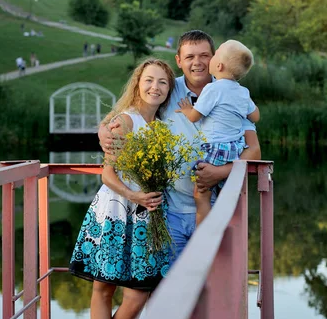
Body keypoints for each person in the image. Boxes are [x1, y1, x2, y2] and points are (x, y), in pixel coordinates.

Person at [99, 30, 261, 264]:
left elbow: (254, 150)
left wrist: (219, 173)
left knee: (212, 284)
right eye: (189, 56)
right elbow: (128, 112)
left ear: (216, 59)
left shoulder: (231, 93)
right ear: (179, 61)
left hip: (217, 208)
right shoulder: (166, 89)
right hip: (168, 212)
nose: (197, 62)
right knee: (169, 285)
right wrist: (104, 129)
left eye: (204, 55)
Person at [70, 58, 175, 319]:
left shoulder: (161, 126)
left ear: (169, 89)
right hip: (117, 212)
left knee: (138, 292)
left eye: (162, 82)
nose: (155, 87)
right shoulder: (126, 121)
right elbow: (107, 174)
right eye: (149, 80)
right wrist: (134, 195)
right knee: (104, 287)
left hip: (145, 215)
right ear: (138, 84)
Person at [176, 39, 260, 225]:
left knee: (202, 193)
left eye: (213, 55)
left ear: (219, 65)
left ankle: (203, 231)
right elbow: (255, 116)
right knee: (227, 194)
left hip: (214, 149)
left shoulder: (212, 89)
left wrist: (186, 109)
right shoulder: (243, 92)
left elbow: (195, 116)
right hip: (235, 150)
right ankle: (224, 226)